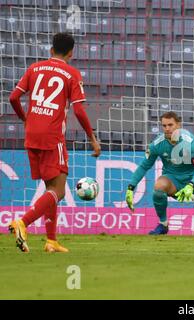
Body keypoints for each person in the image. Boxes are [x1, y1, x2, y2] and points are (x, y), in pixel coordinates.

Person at [8, 32, 101, 253]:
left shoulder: (34, 68)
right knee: (58, 191)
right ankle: (23, 222)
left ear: (51, 50)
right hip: (52, 137)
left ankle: (51, 241)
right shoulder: (72, 73)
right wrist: (92, 138)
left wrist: (24, 118)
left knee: (50, 187)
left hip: (31, 134)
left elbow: (13, 98)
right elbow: (78, 109)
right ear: (71, 53)